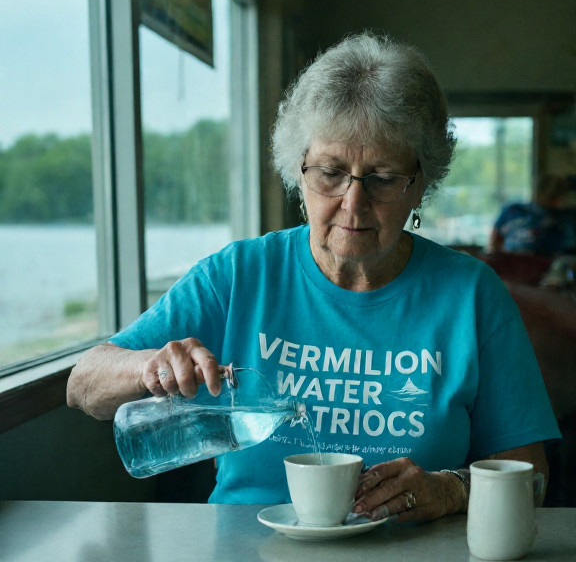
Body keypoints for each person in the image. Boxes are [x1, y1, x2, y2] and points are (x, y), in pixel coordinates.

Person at [67, 32, 560, 523]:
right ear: (297, 173)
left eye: (383, 178)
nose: (353, 202)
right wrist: (149, 367)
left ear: (420, 186)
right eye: (330, 172)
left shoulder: (471, 295)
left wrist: (449, 489)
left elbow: (533, 478)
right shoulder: (240, 275)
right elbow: (83, 384)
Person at [487, 173, 575, 256]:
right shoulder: (513, 210)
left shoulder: (565, 217)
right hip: (512, 264)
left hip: (547, 265)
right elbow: (494, 243)